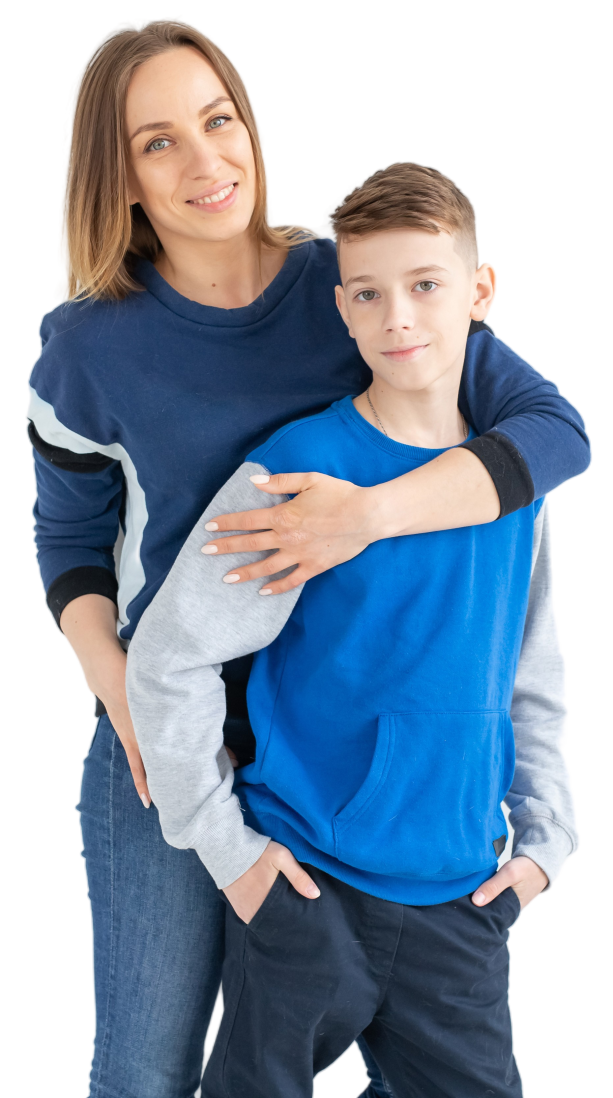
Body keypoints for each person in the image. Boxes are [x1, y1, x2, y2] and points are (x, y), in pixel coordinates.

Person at [26, 14, 587, 1098]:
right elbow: (67, 542)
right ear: (119, 176)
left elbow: (550, 436)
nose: (204, 161)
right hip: (169, 728)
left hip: (344, 737)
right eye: (157, 142)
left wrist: (364, 519)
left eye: (218, 119)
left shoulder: (360, 285)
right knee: (146, 1071)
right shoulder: (88, 347)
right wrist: (127, 695)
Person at [126, 161, 580, 1098]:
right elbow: (172, 657)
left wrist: (547, 841)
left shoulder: (507, 483)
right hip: (305, 892)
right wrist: (232, 855)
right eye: (368, 294)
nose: (398, 318)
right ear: (340, 308)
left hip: (460, 896)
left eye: (425, 286)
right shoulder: (298, 471)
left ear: (481, 290)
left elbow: (527, 668)